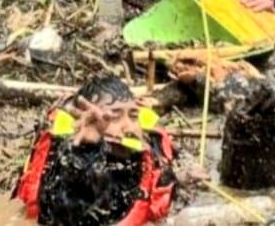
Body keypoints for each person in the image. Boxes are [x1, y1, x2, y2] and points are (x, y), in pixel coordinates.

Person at [14, 75, 176, 226]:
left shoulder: (149, 156)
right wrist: (86, 151)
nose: (128, 127)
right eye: (113, 117)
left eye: (133, 116)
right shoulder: (65, 164)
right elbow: (59, 214)